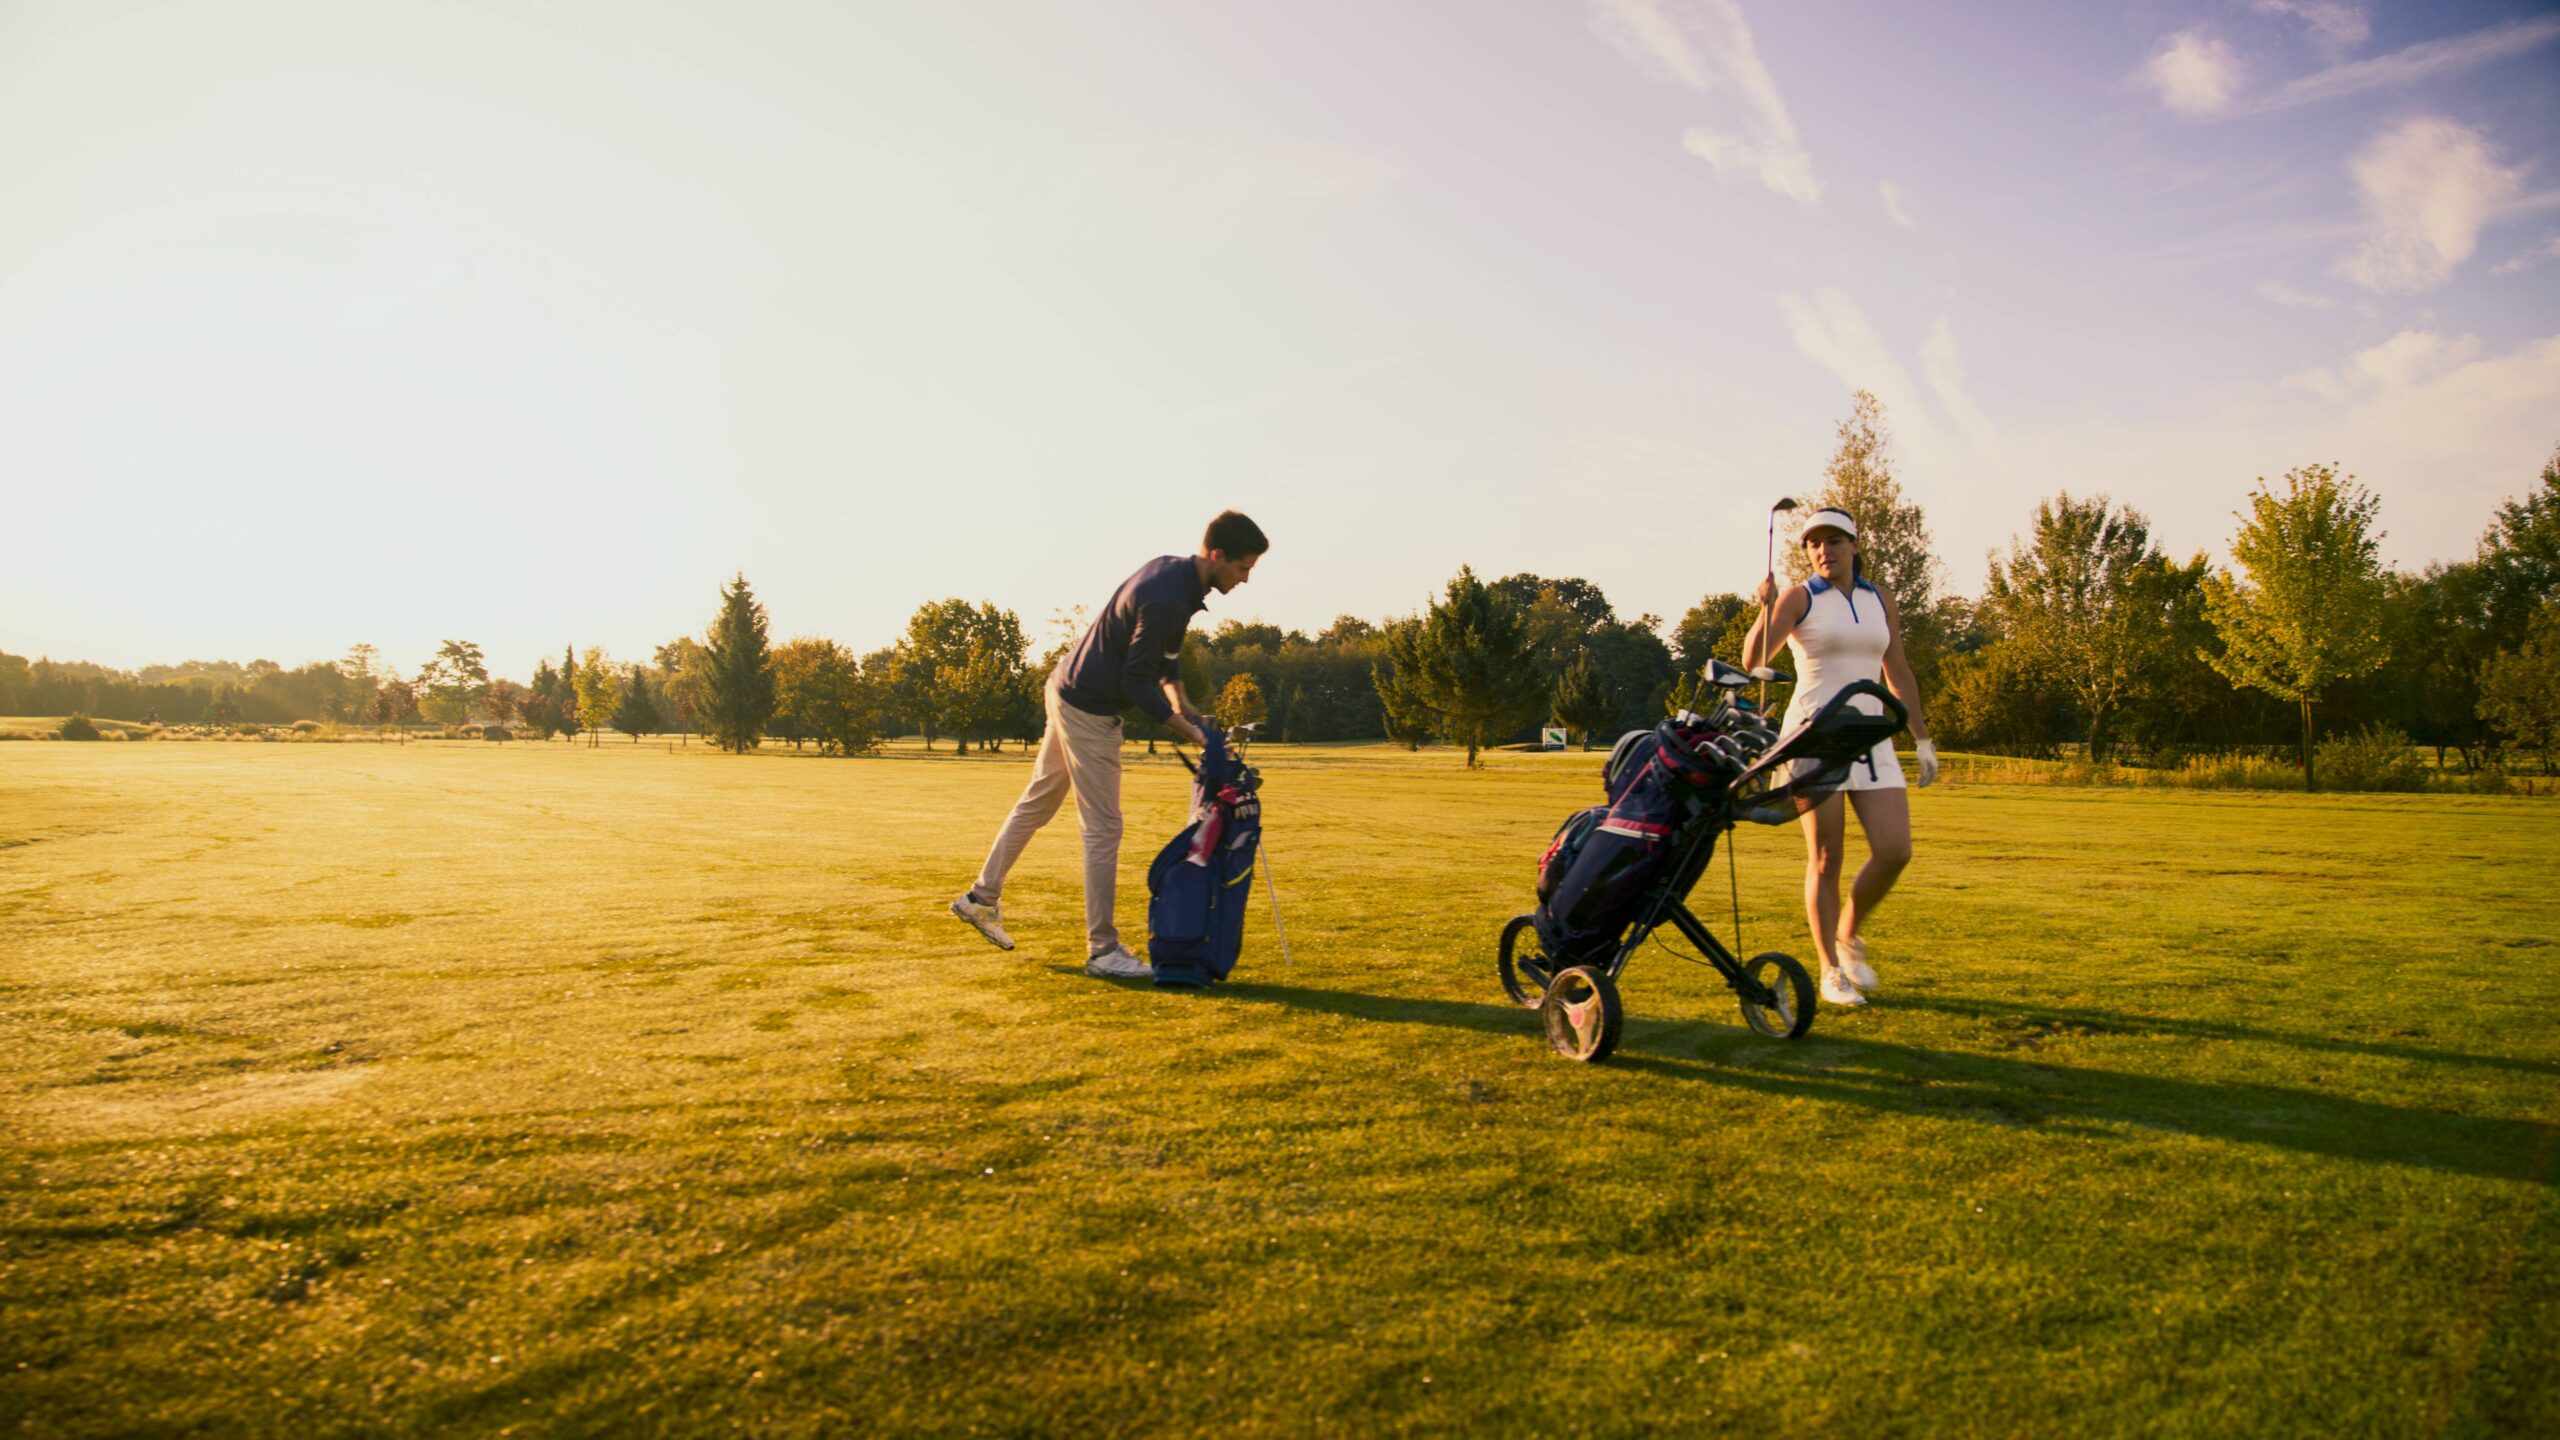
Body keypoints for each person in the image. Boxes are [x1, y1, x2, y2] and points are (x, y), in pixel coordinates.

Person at [949, 511, 1268, 979]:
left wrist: (1187, 707)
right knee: (1104, 829)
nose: (1245, 579)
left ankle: (980, 899)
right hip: (1089, 708)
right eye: (1243, 568)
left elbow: (1168, 662)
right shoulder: (1166, 598)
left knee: (1037, 803)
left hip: (1065, 688)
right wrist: (1195, 733)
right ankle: (1103, 951)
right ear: (1216, 555)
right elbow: (1135, 683)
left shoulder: (1175, 577)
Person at [1742, 507, 1937, 1007]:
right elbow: (1753, 661)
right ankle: (1831, 970)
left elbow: (1897, 668)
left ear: (1854, 545)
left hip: (1871, 736)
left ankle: (1849, 934)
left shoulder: (1879, 599)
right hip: (1814, 738)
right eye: (1813, 543)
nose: (1823, 550)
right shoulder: (1799, 597)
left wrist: (1920, 738)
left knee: (1896, 849)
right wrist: (1764, 608)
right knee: (1827, 858)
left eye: (1834, 540)